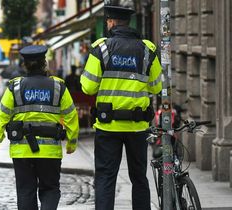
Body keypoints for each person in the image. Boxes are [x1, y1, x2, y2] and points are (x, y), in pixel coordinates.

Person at [80, 5, 162, 210]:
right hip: (137, 127)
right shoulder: (147, 49)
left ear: (111, 22)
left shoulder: (101, 48)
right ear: (128, 23)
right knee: (139, 178)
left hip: (108, 127)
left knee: (106, 177)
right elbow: (157, 86)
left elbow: (88, 87)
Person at [0, 45, 79, 210]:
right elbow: (71, 116)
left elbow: (0, 116)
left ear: (24, 65)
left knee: (25, 191)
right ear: (45, 63)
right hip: (50, 152)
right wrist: (72, 142)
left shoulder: (15, 88)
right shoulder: (58, 87)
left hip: (22, 152)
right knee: (50, 189)